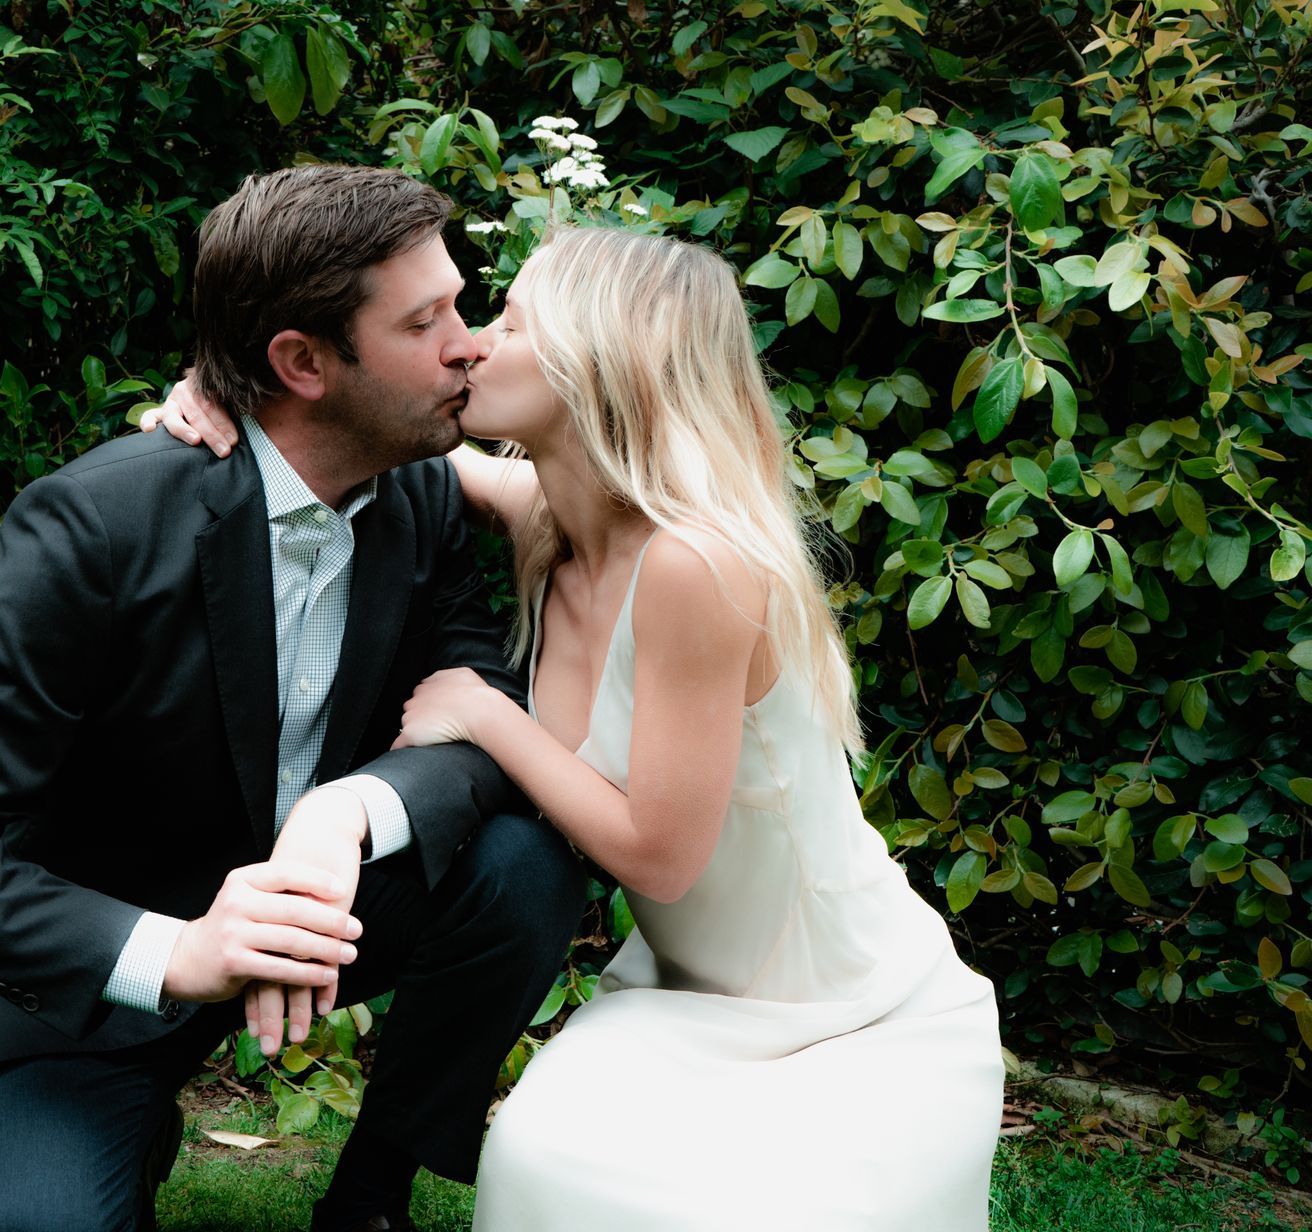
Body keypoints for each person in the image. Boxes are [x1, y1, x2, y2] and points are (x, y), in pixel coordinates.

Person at [151, 225, 1006, 1228]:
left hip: (851, 1007)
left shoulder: (697, 563)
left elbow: (660, 856)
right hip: (680, 993)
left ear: (603, 362)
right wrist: (226, 395)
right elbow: (366, 439)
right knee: (541, 1165)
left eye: (510, 322)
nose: (470, 344)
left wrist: (486, 716)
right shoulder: (556, 519)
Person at [0, 164, 582, 1232]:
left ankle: (372, 1191)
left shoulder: (422, 490)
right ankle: (122, 1117)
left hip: (327, 916)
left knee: (528, 852)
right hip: (91, 983)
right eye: (426, 320)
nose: (467, 342)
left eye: (462, 309)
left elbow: (477, 703)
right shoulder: (96, 525)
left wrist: (350, 814)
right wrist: (177, 952)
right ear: (301, 360)